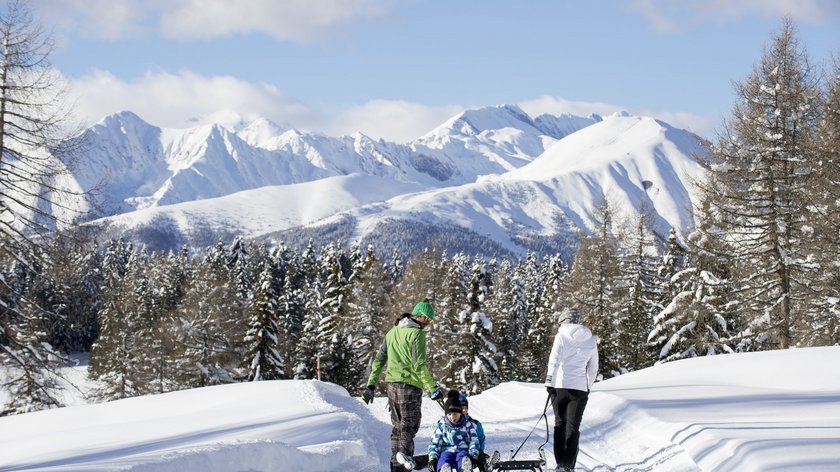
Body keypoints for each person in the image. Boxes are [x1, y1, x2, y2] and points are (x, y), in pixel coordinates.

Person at [362, 298, 443, 472]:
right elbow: (418, 364)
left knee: (398, 427)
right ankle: (405, 460)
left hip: (392, 386)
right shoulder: (417, 335)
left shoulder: (392, 332)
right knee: (409, 425)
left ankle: (396, 466)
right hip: (410, 386)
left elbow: (379, 360)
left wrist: (371, 385)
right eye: (428, 319)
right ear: (420, 316)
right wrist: (433, 388)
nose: (429, 323)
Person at [544, 308, 599, 472]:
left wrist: (549, 382)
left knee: (560, 423)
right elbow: (593, 368)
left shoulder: (561, 337)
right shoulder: (591, 340)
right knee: (573, 427)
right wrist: (588, 386)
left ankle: (560, 464)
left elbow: (553, 360)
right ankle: (569, 466)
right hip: (580, 390)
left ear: (564, 321)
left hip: (560, 386)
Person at [427, 390, 480, 472]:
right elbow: (435, 442)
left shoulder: (467, 425)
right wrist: (433, 458)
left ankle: (465, 469)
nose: (452, 417)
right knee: (444, 458)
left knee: (463, 458)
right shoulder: (442, 425)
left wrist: (474, 456)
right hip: (446, 450)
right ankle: (443, 469)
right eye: (449, 414)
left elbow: (474, 441)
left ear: (460, 413)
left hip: (462, 450)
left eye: (455, 414)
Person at [458, 394, 489, 472]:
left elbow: (481, 438)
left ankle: (487, 465)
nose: (464, 410)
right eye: (462, 408)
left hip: (474, 451)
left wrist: (480, 450)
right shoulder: (451, 424)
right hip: (460, 452)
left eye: (466, 408)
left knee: (481, 457)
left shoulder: (475, 423)